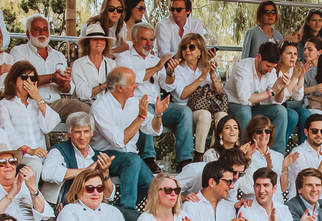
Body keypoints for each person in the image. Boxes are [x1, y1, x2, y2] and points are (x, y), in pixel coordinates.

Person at [90, 67, 167, 209]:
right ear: (119, 88)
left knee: (151, 185)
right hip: (104, 157)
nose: (136, 86)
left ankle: (119, 211)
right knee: (132, 159)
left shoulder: (134, 102)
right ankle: (128, 209)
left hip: (131, 158)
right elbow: (119, 141)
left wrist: (158, 114)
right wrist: (140, 117)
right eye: (132, 83)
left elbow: (154, 129)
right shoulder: (100, 107)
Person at [160, 31, 226, 167]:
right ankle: (199, 155)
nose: (187, 50)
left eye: (191, 47)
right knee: (205, 115)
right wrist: (202, 77)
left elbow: (219, 92)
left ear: (200, 51)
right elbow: (183, 94)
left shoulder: (205, 66)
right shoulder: (178, 68)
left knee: (222, 116)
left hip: (207, 106)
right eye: (184, 47)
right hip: (186, 109)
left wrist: (213, 76)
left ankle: (215, 154)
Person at [116, 20, 172, 171]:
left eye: (151, 40)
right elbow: (132, 79)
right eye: (144, 39)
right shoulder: (124, 58)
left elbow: (166, 85)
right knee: (148, 111)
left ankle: (185, 159)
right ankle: (148, 158)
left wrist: (170, 73)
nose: (149, 44)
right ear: (133, 39)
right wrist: (157, 67)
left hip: (157, 102)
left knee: (184, 113)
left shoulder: (155, 59)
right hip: (136, 102)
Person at [8, 14, 85, 122]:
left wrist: (64, 82)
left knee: (85, 110)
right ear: (28, 34)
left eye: (45, 29)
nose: (42, 33)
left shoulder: (58, 55)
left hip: (56, 105)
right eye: (37, 29)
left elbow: (68, 90)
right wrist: (51, 78)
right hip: (31, 103)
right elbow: (21, 81)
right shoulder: (19, 52)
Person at [225, 40, 291, 153]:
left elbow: (277, 100)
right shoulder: (243, 68)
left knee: (281, 111)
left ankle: (277, 154)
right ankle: (246, 153)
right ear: (259, 57)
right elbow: (245, 99)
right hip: (234, 106)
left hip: (255, 108)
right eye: (268, 66)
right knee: (245, 110)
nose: (270, 70)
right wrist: (271, 92)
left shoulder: (271, 71)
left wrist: (281, 88)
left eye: (273, 67)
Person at [40, 111, 116, 204]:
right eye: (77, 132)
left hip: (93, 207)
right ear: (69, 134)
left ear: (91, 133)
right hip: (68, 206)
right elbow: (47, 173)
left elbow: (108, 196)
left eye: (86, 131)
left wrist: (104, 173)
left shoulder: (98, 157)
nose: (82, 137)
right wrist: (86, 171)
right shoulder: (59, 151)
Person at [0, 61, 59, 172]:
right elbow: (8, 132)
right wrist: (30, 150)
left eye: (32, 78)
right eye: (24, 77)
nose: (28, 81)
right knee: (35, 165)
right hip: (20, 158)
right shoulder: (4, 105)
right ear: (14, 79)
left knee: (59, 165)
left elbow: (51, 124)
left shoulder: (36, 103)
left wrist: (37, 97)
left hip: (41, 157)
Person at [285, 113, 322, 198]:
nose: (319, 134)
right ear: (306, 132)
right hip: (300, 202)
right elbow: (311, 183)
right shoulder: (298, 153)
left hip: (321, 203)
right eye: (315, 131)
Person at [71, 21, 117, 105]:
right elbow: (82, 94)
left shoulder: (112, 64)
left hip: (106, 105)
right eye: (95, 39)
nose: (99, 42)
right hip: (85, 105)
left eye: (102, 39)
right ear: (87, 43)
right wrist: (103, 85)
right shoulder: (79, 64)